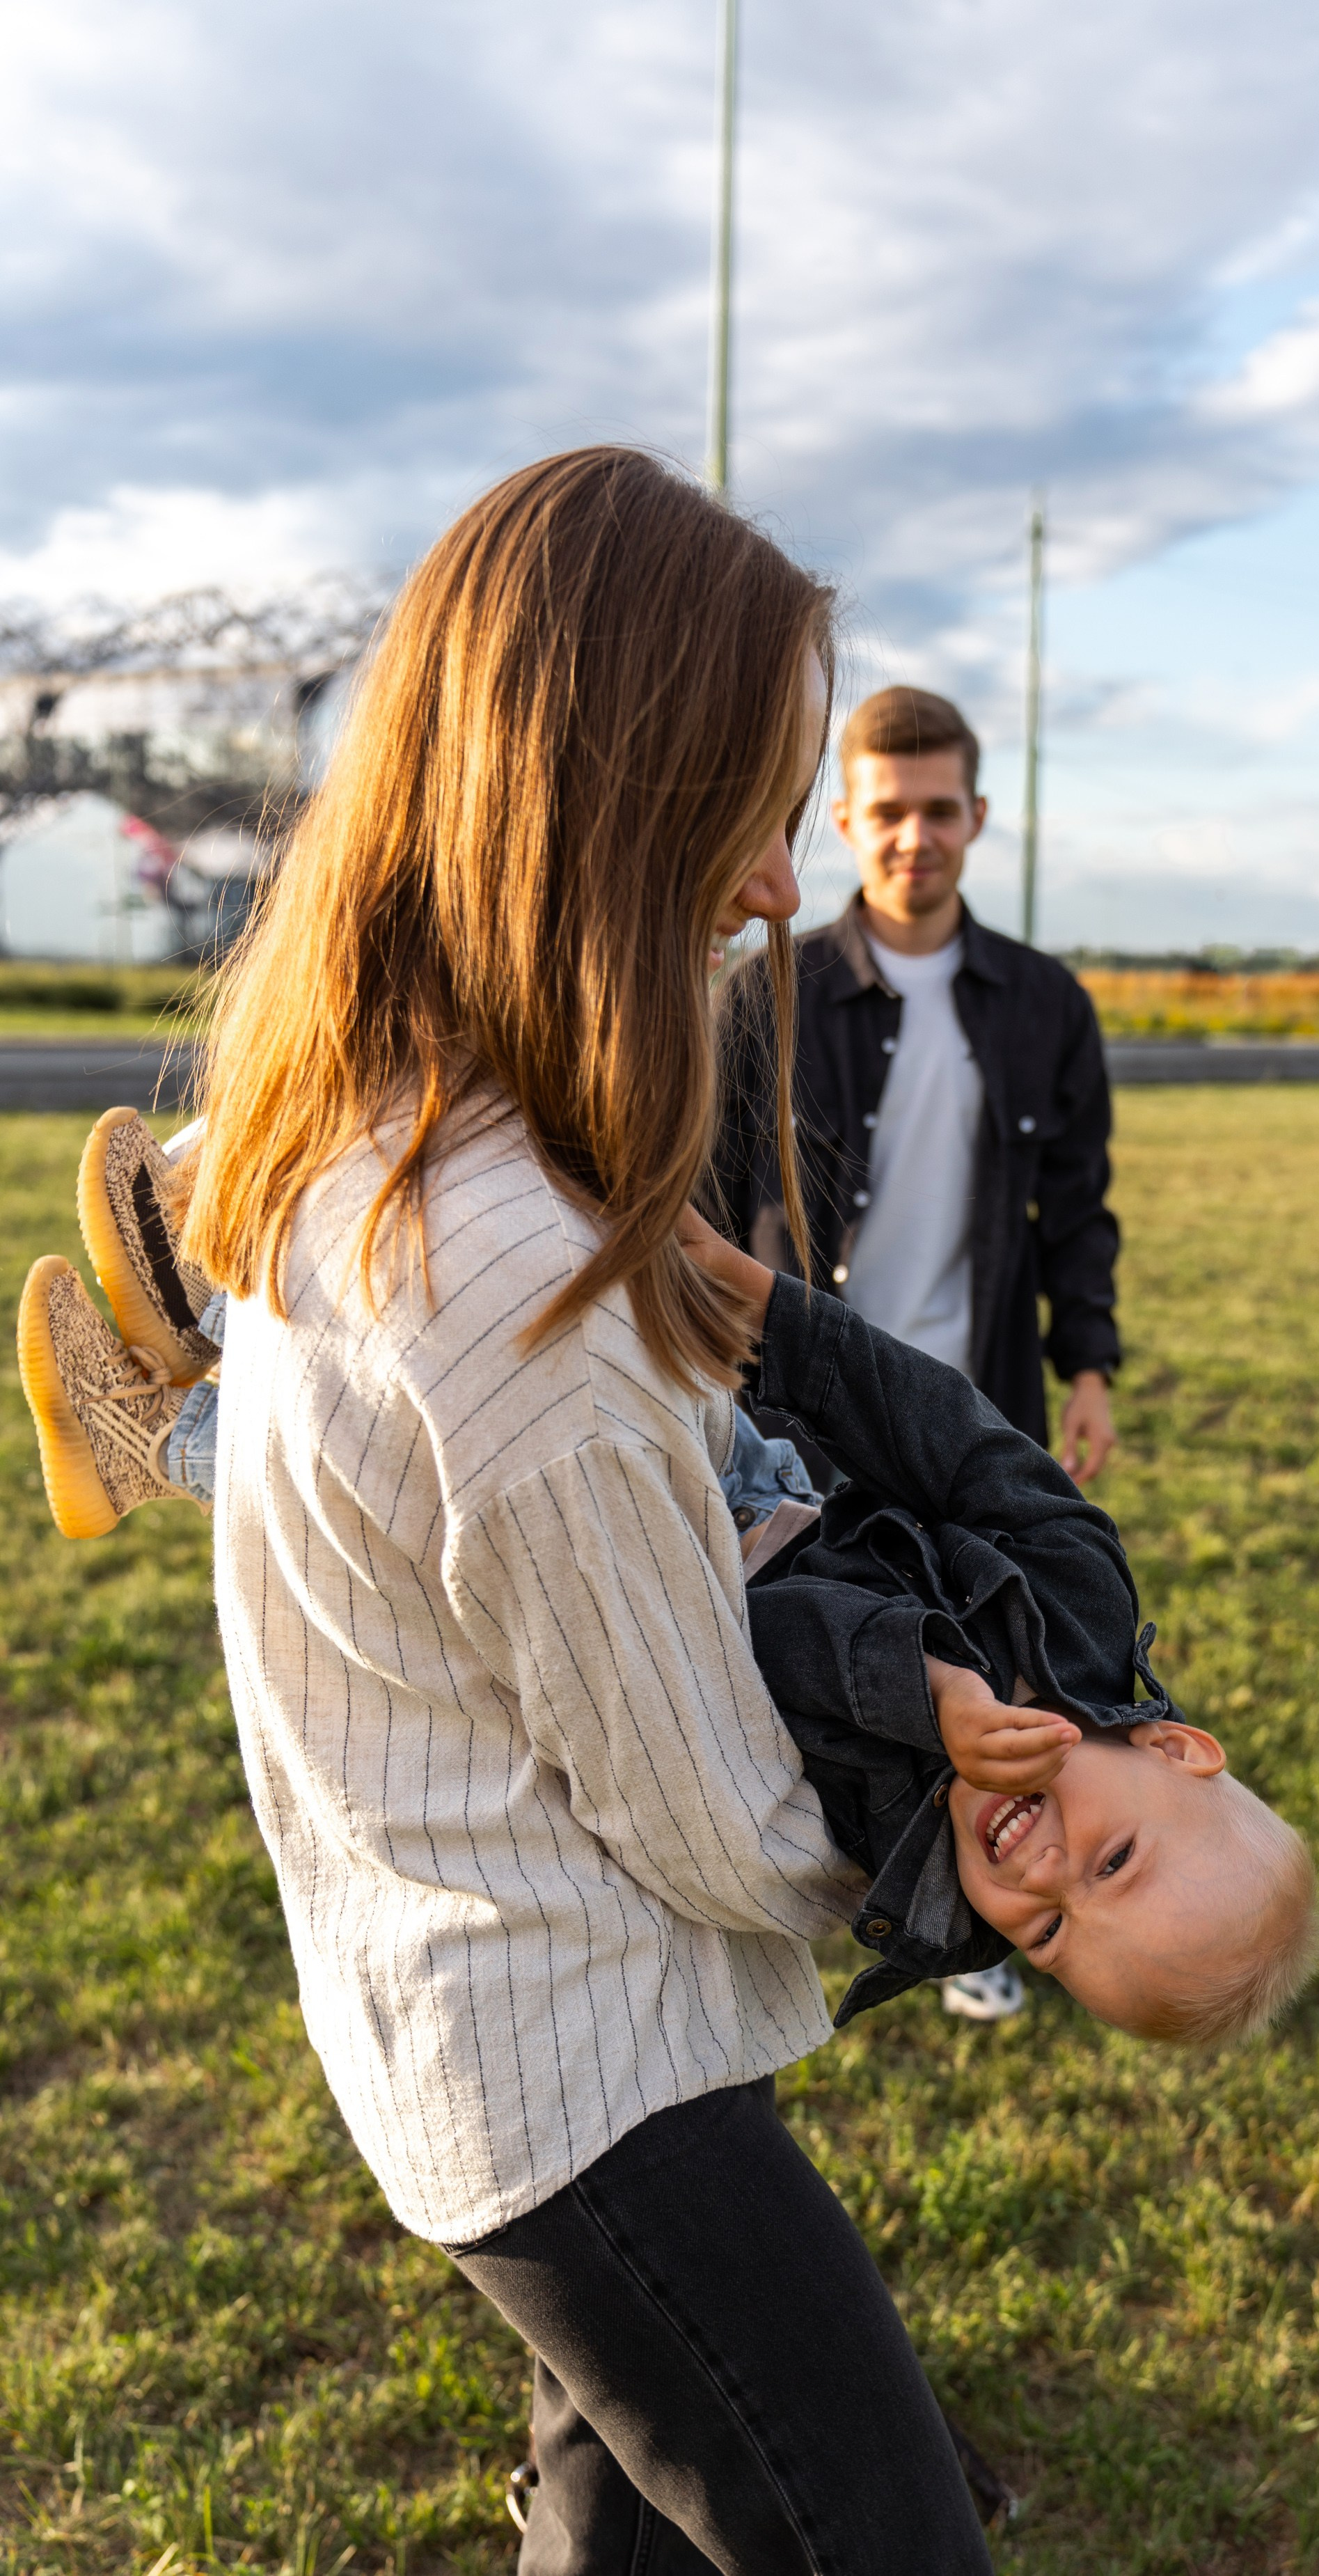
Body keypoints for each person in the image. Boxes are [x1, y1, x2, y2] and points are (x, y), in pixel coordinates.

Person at [19, 448, 1002, 2576]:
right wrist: (961, 1854)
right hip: (580, 2071)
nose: (778, 883)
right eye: (746, 807)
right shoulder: (514, 1284)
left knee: (613, 2520)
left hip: (494, 2023)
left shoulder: (382, 1126)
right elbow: (704, 1815)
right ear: (604, 810)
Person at [22, 1126, 1318, 2049]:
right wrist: (784, 1320)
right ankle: (211, 1258)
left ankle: (155, 1430)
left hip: (659, 1561)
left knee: (419, 1470)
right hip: (765, 1463)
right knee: (577, 1232)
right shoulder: (1084, 1601)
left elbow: (758, 1650)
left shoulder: (894, 1852)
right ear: (1175, 1748)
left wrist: (923, 1695)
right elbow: (954, 1441)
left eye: (1047, 1936)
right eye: (1114, 1860)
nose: (1044, 1877)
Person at [712, 682, 1123, 2025]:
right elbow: (705, 1201)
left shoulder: (1045, 1006)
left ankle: (981, 1928)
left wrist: (1090, 1369)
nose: (915, 836)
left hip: (973, 1401)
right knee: (838, 1658)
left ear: (977, 817)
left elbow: (1077, 1209)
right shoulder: (765, 993)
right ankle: (851, 1903)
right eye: (887, 811)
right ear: (844, 819)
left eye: (939, 809)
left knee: (993, 1666)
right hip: (797, 1409)